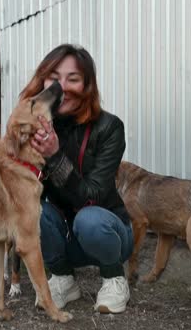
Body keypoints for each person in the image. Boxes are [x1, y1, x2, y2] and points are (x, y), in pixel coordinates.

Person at [21, 44, 133, 314]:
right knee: (30, 209)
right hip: (63, 235)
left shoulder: (110, 127)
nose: (62, 87)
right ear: (42, 83)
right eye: (54, 78)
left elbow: (93, 196)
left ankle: (114, 277)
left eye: (73, 79)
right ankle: (62, 278)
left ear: (87, 85)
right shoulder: (35, 125)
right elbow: (24, 191)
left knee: (89, 219)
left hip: (108, 232)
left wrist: (55, 155)